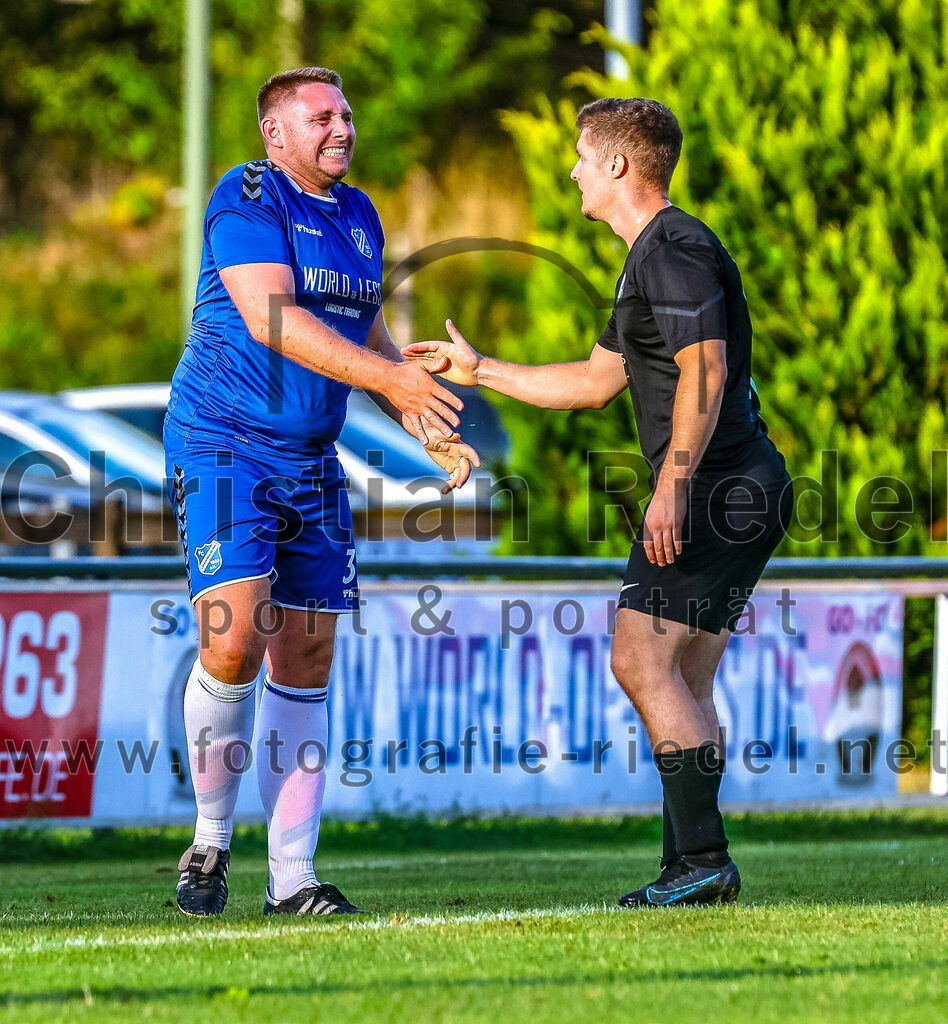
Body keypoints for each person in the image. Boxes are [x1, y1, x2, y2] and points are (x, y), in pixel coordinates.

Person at [404, 97, 792, 907]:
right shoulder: (650, 255)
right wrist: (482, 372)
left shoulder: (670, 246)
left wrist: (673, 486)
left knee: (638, 659)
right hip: (743, 482)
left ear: (619, 164)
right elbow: (592, 382)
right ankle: (691, 866)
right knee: (683, 674)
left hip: (717, 488)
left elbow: (708, 372)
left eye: (583, 154)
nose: (573, 168)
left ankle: (703, 863)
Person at [164, 66, 479, 917]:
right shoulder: (248, 194)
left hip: (309, 455)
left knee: (306, 657)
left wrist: (414, 408)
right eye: (320, 117)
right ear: (275, 133)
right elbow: (276, 317)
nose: (341, 128)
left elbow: (360, 321)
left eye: (346, 113)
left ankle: (292, 880)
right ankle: (208, 841)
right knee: (235, 637)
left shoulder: (363, 214)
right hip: (222, 440)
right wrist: (393, 382)